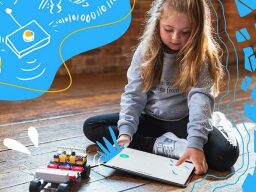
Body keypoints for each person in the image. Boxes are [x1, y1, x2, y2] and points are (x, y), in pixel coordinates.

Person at [83, 0, 239, 175]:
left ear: (197, 30)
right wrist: (125, 133)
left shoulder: (201, 57)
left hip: (185, 121)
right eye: (168, 29)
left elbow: (200, 102)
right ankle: (166, 146)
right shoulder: (145, 51)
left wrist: (195, 144)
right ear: (157, 22)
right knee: (92, 126)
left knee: (226, 155)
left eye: (185, 32)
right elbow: (134, 96)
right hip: (151, 118)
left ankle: (213, 124)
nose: (175, 38)